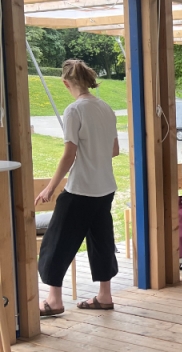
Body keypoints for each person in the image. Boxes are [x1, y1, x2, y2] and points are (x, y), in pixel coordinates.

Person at [36, 59, 120, 316]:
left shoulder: (74, 110)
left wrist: (50, 188)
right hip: (105, 188)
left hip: (81, 189)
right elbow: (114, 150)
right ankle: (104, 295)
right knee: (101, 240)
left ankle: (54, 300)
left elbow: (69, 154)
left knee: (57, 241)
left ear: (66, 83)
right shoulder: (106, 108)